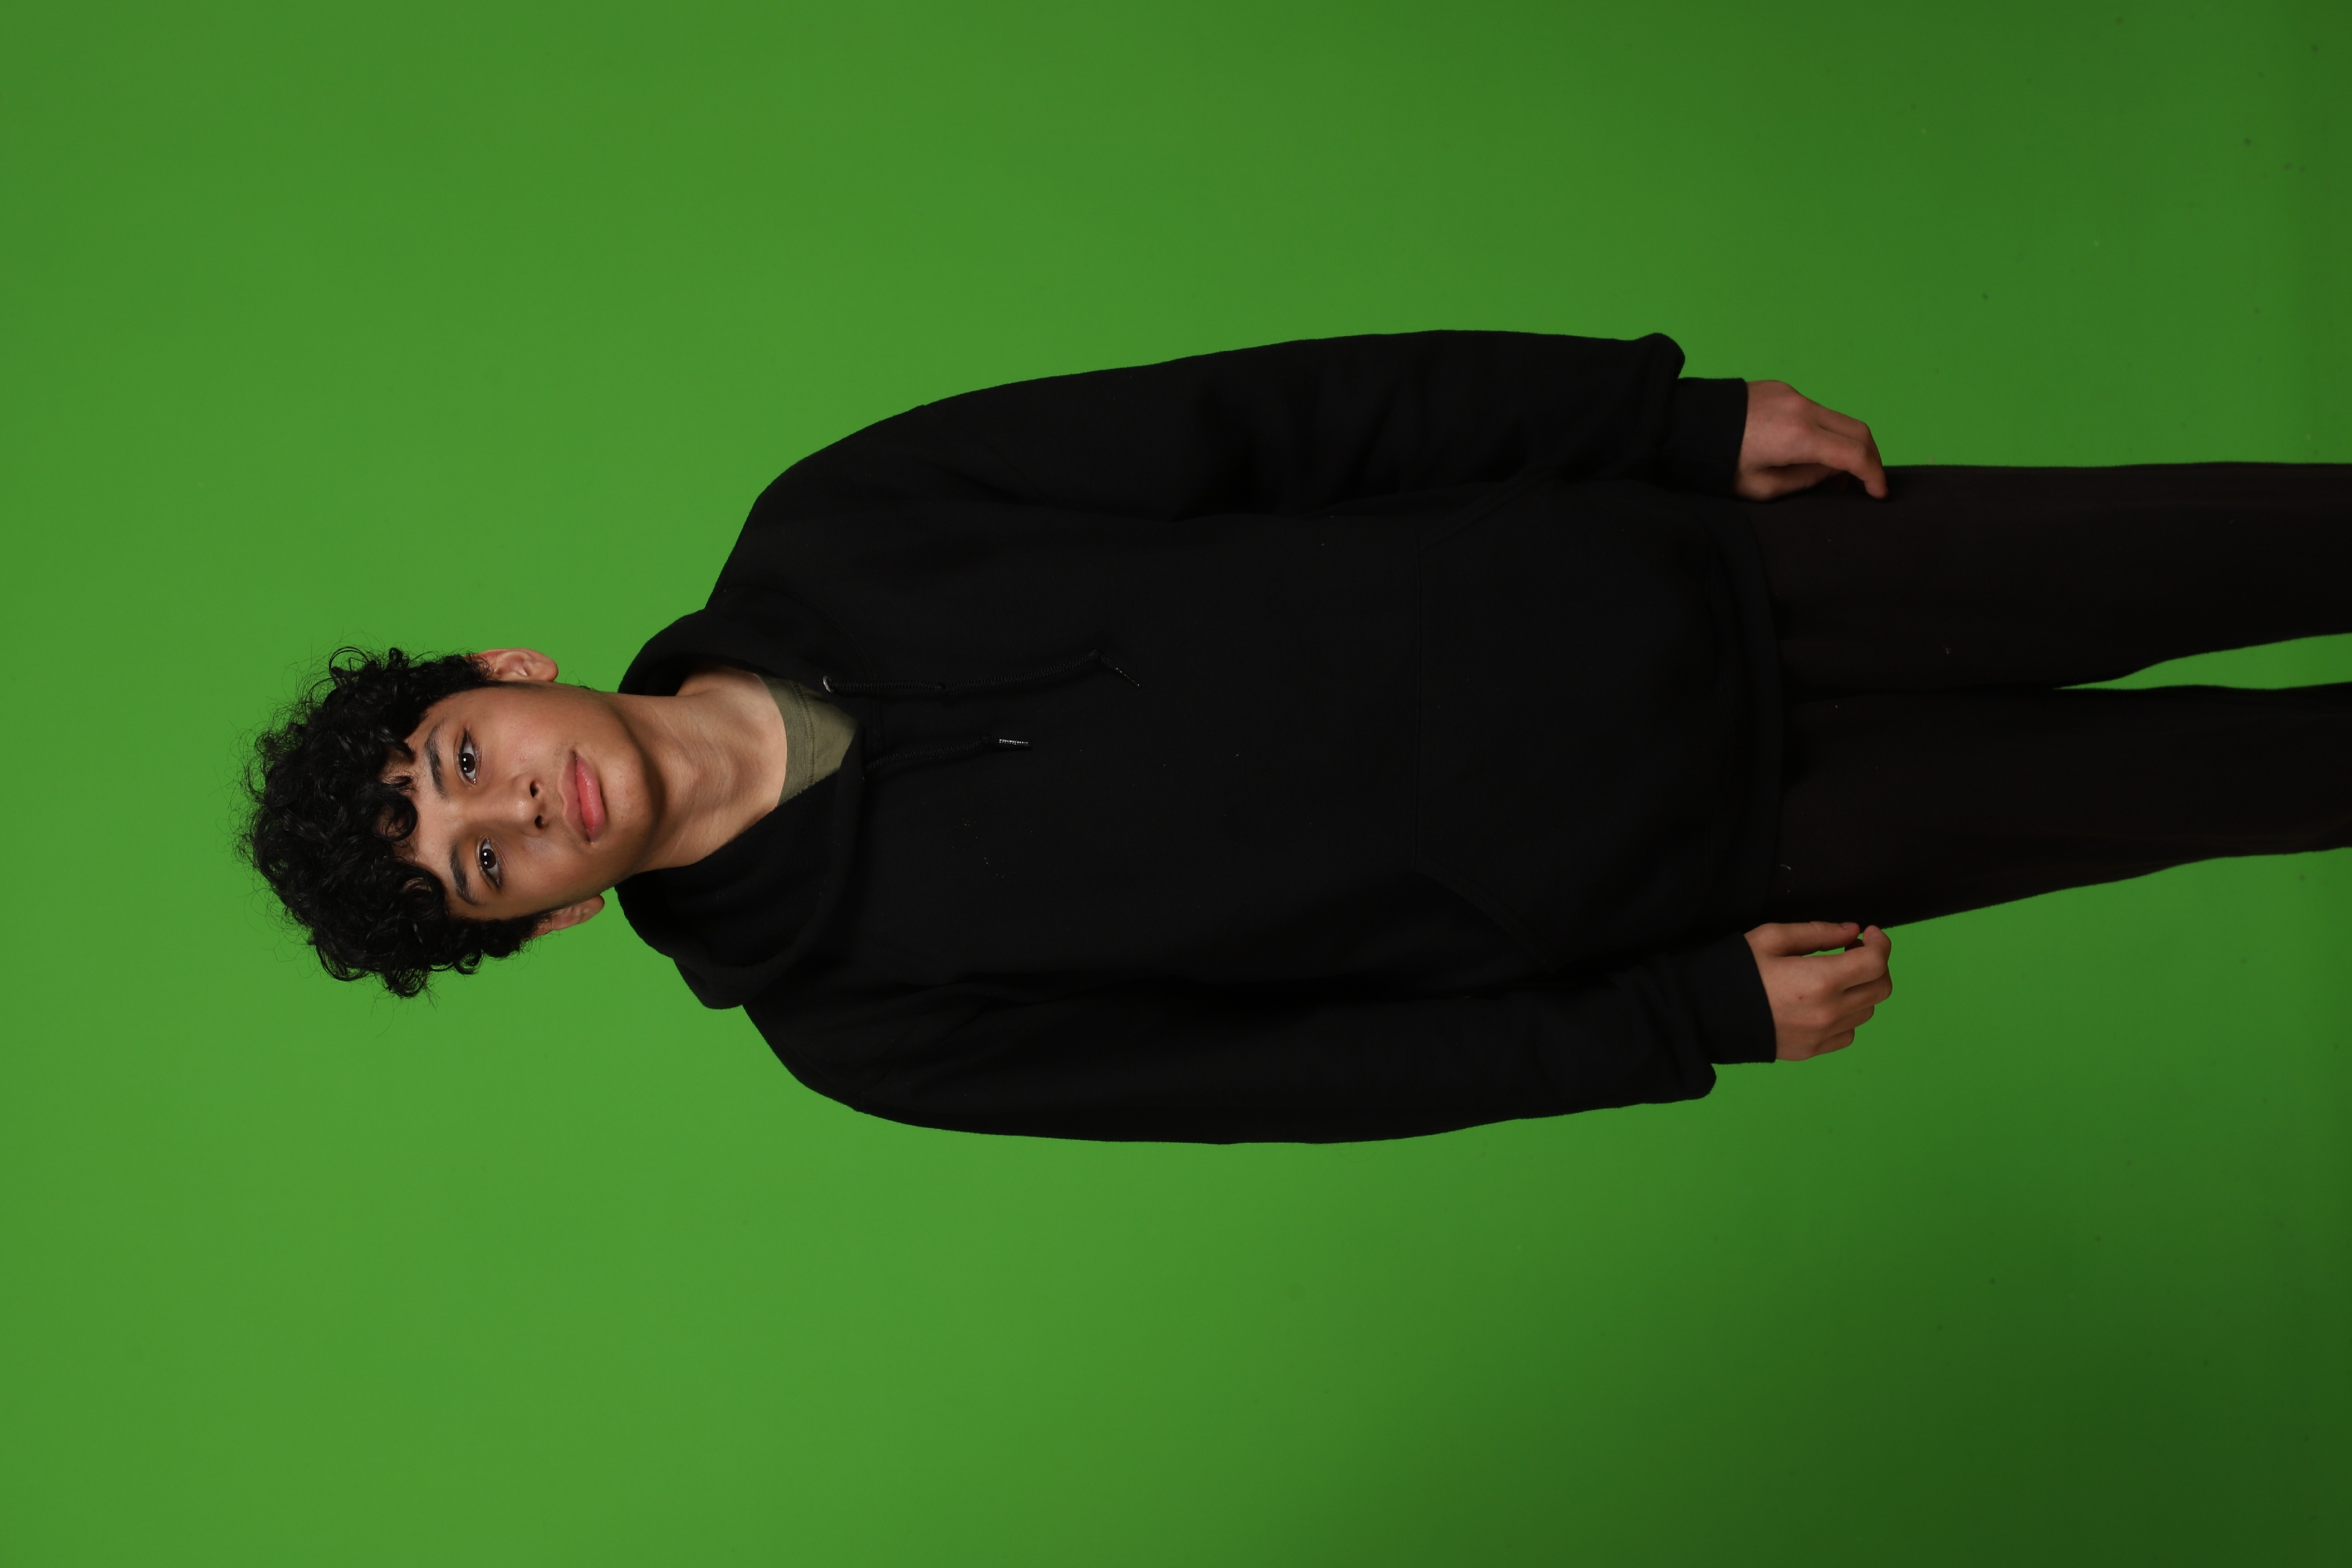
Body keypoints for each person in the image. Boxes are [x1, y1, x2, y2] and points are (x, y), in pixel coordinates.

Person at [244, 331, 2352, 1142]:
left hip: (1692, 569)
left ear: (504, 671)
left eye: (459, 762)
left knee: (2255, 542)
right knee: (2251, 781)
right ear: (543, 922)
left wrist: (1663, 419)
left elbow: (1269, 419)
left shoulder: (839, 526)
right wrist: (1676, 1018)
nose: (514, 811)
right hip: (1716, 853)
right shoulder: (865, 1030)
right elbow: (1292, 1077)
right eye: (482, 868)